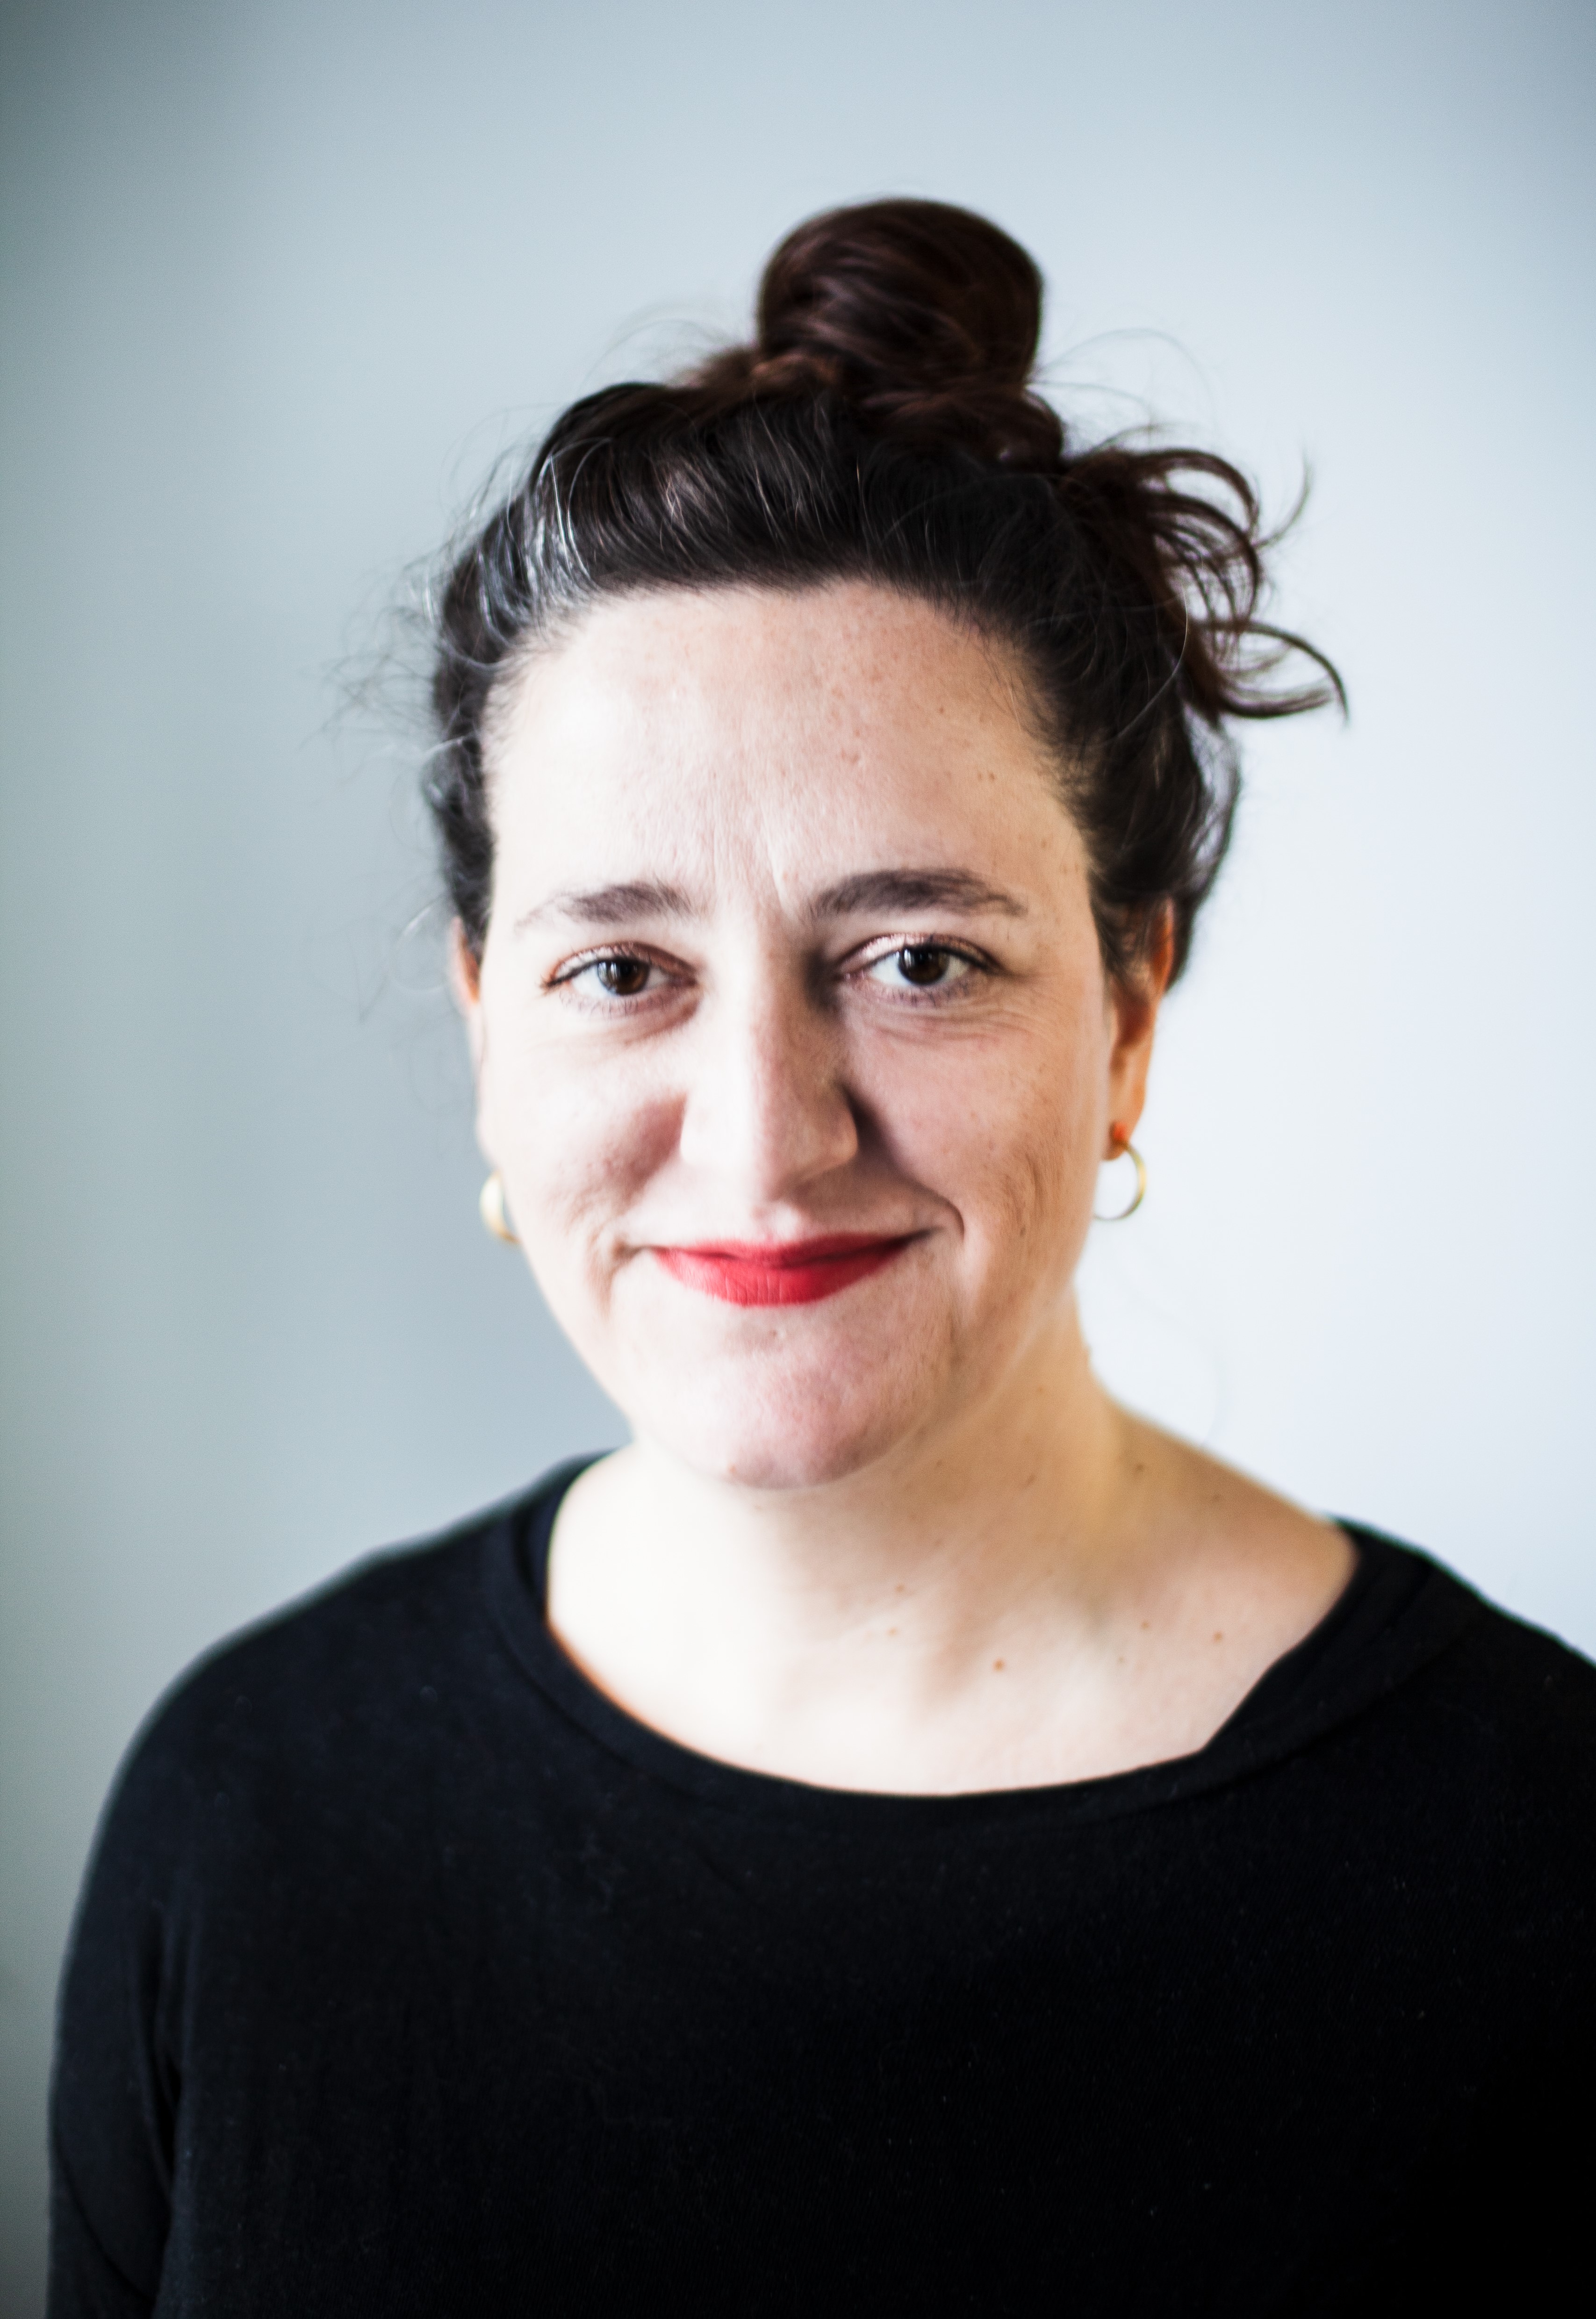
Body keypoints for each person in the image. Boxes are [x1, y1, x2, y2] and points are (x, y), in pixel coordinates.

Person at [50, 200, 1595, 2315]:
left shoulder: (1538, 1858)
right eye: (621, 968)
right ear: (488, 1022)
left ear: (1129, 1014)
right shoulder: (249, 1810)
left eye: (918, 958)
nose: (764, 1135)